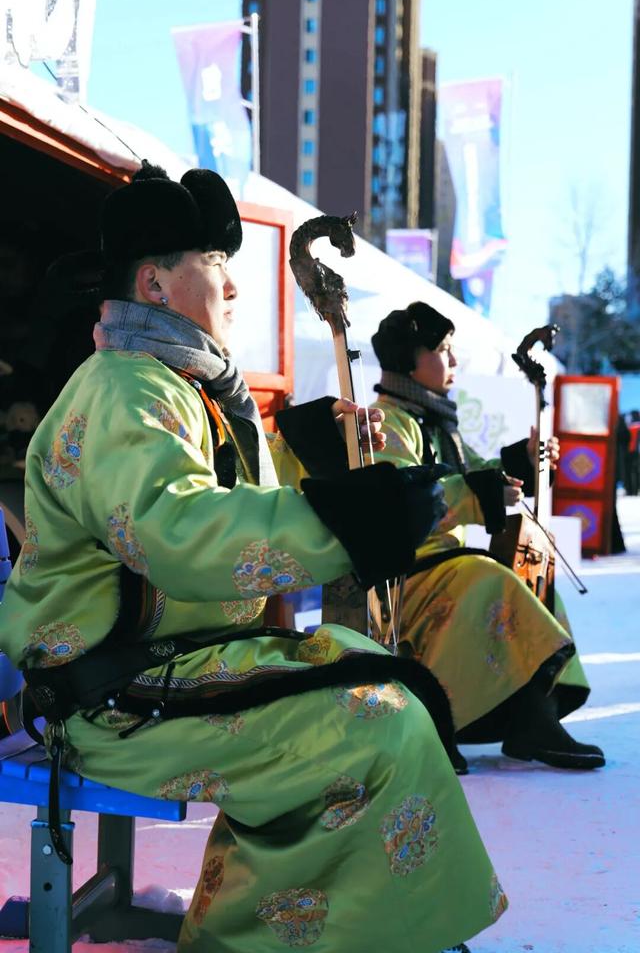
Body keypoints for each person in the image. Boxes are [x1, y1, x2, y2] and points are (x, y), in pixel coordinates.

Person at [0, 165, 507, 953]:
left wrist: (331, 472)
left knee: (378, 683)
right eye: (217, 264)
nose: (234, 286)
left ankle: (305, 928)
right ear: (156, 284)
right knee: (370, 725)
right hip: (110, 697)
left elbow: (248, 507)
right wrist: (336, 520)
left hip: (172, 665)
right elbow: (175, 529)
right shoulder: (126, 389)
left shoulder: (187, 387)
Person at [370, 301, 605, 773]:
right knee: (489, 576)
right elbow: (404, 500)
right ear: (409, 359)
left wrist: (520, 462)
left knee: (530, 575)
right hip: (403, 575)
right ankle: (523, 718)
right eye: (442, 350)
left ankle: (532, 713)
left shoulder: (434, 421)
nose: (453, 362)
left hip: (443, 567)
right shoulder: (387, 422)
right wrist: (480, 489)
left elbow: (476, 472)